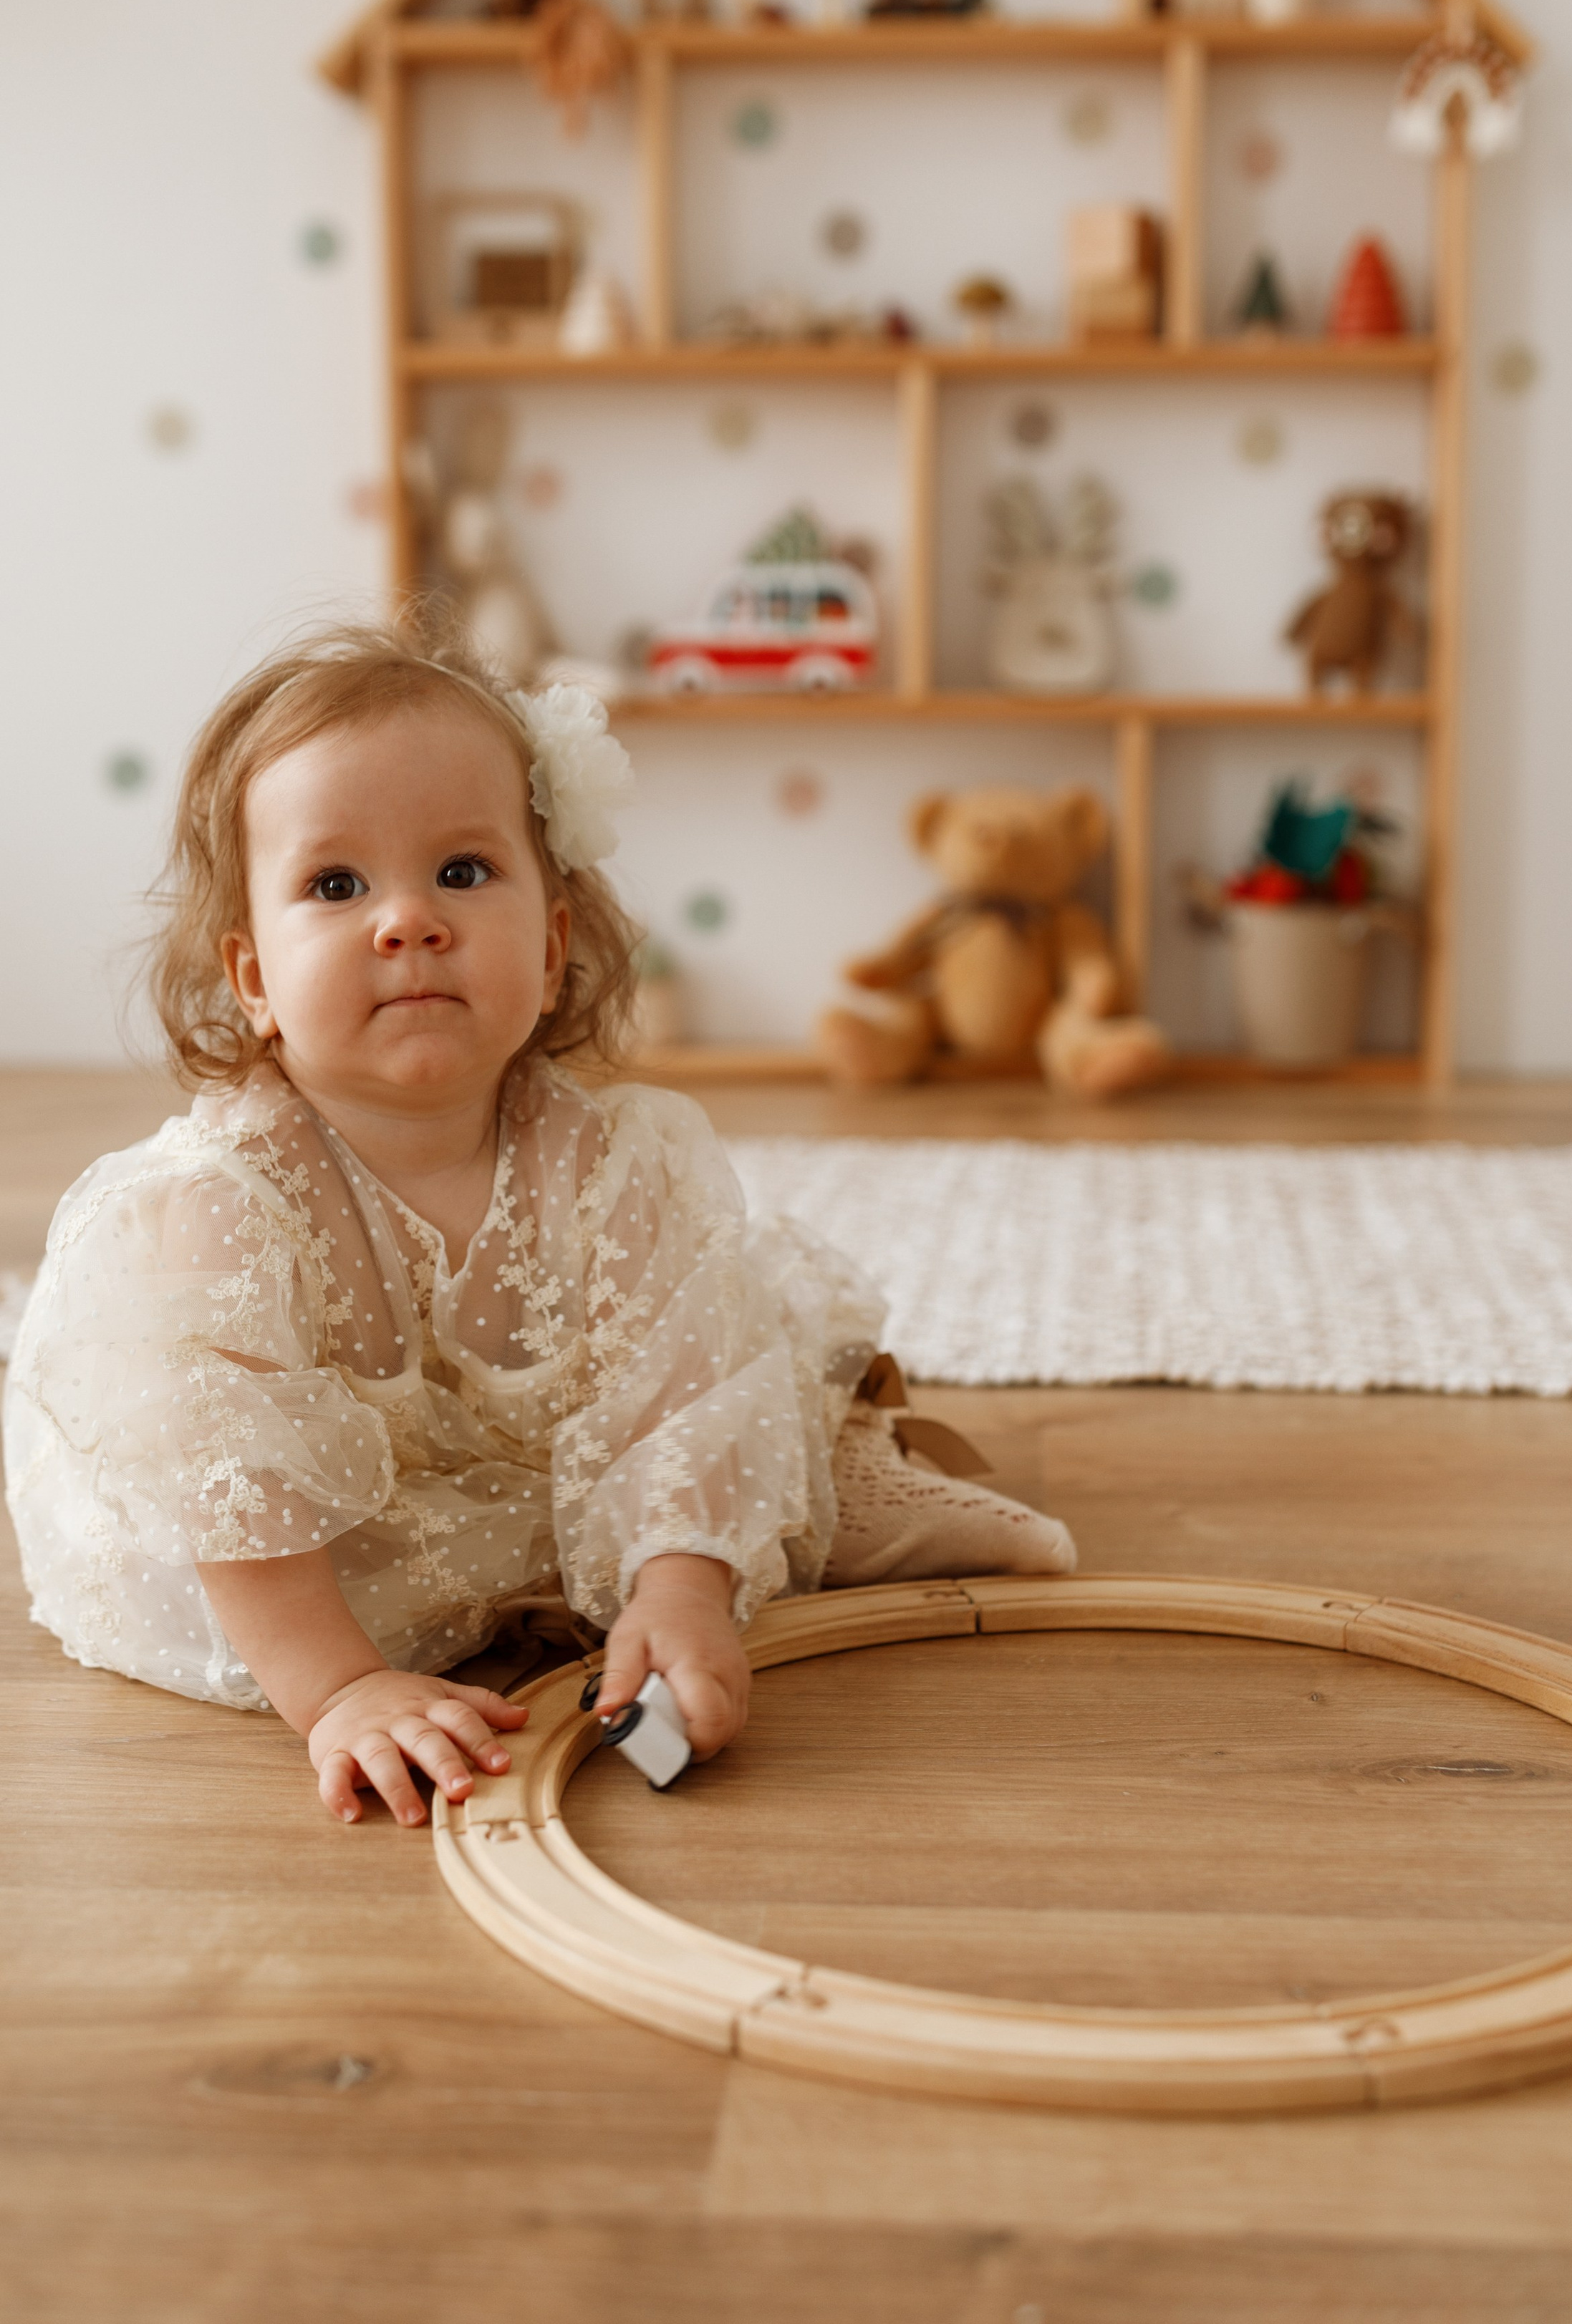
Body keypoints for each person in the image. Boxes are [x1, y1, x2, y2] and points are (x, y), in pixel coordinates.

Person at [3, 619, 1074, 1827]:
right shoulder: (217, 1211)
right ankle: (805, 1485)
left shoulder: (609, 1159)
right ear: (252, 979)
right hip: (289, 1556)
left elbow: (680, 1389)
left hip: (523, 1456)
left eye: (462, 871)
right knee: (303, 1522)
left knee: (743, 1384)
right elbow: (228, 1481)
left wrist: (679, 1591)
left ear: (556, 943)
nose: (406, 920)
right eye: (336, 885)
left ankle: (842, 1476)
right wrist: (343, 1687)